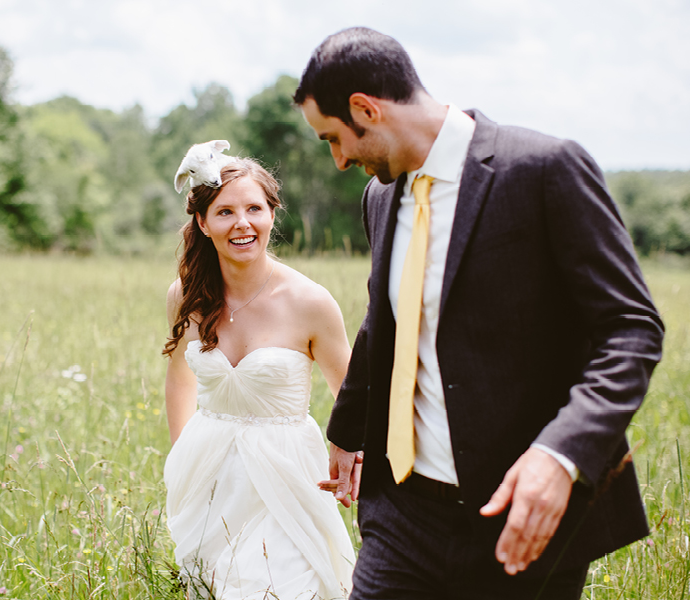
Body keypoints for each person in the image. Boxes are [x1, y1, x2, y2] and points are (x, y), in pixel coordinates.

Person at [293, 27, 665, 600]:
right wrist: (344, 433)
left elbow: (631, 331)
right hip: (402, 516)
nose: (339, 160)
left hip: (520, 516)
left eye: (334, 139)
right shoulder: (381, 196)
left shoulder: (543, 169)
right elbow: (386, 321)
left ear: (367, 109)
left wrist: (561, 455)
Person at [163, 157, 356, 599]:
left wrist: (349, 449)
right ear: (203, 222)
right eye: (225, 212)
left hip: (287, 475)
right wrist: (183, 457)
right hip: (209, 475)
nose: (242, 223)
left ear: (272, 213)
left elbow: (348, 391)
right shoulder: (185, 296)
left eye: (254, 209)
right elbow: (179, 379)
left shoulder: (310, 302)